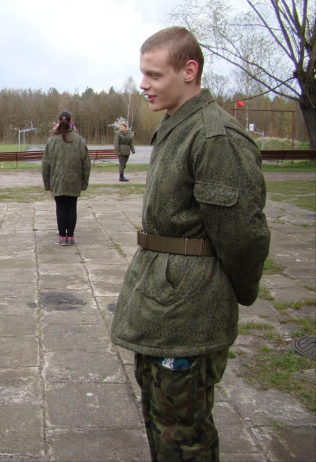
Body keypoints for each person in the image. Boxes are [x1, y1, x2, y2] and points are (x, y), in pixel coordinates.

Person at [111, 27, 270, 461]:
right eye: (142, 74)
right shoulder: (177, 125)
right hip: (164, 305)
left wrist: (233, 292)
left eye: (153, 75)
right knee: (163, 423)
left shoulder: (215, 137)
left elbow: (244, 236)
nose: (143, 84)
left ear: (189, 70)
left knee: (183, 435)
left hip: (189, 312)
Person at [42, 111, 91, 246]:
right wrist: (84, 182)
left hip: (57, 180)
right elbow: (86, 164)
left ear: (58, 122)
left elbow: (45, 164)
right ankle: (71, 236)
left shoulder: (51, 141)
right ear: (71, 121)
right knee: (71, 207)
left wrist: (47, 184)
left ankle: (62, 237)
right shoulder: (80, 141)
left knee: (61, 208)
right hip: (74, 179)